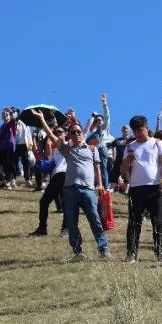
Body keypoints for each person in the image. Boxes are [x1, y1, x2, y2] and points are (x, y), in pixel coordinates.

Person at [39, 112, 110, 260]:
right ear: (69, 135)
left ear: (83, 134)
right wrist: (41, 118)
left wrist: (100, 186)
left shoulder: (92, 149)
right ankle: (78, 252)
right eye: (73, 132)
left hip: (88, 190)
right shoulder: (67, 149)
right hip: (70, 190)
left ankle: (103, 248)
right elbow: (51, 135)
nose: (77, 134)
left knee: (95, 220)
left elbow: (98, 169)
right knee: (71, 223)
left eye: (79, 132)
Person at [121, 115, 162, 264]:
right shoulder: (130, 146)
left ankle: (160, 253)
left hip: (155, 187)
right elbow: (123, 170)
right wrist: (127, 161)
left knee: (158, 221)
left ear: (147, 128)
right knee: (134, 221)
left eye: (140, 129)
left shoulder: (157, 143)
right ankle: (131, 253)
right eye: (135, 130)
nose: (138, 133)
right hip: (136, 188)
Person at [31, 122, 69, 237]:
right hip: (55, 176)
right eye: (55, 133)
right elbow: (50, 161)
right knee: (44, 201)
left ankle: (66, 228)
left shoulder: (69, 145)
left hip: (66, 175)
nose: (57, 134)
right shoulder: (55, 150)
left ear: (66, 134)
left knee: (66, 203)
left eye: (60, 132)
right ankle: (42, 228)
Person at [85, 94, 113, 189]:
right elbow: (86, 140)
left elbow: (107, 116)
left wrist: (104, 103)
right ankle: (95, 185)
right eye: (96, 121)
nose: (98, 122)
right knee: (94, 168)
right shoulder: (93, 134)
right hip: (94, 151)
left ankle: (106, 187)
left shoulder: (103, 128)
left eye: (100, 120)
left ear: (103, 121)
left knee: (103, 168)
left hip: (102, 149)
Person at [0, 108, 19, 188]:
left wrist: (10, 112)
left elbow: (13, 119)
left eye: (6, 115)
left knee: (7, 167)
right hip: (0, 148)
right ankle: (4, 181)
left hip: (8, 148)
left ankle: (8, 182)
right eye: (3, 115)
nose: (5, 116)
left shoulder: (11, 124)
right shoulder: (2, 126)